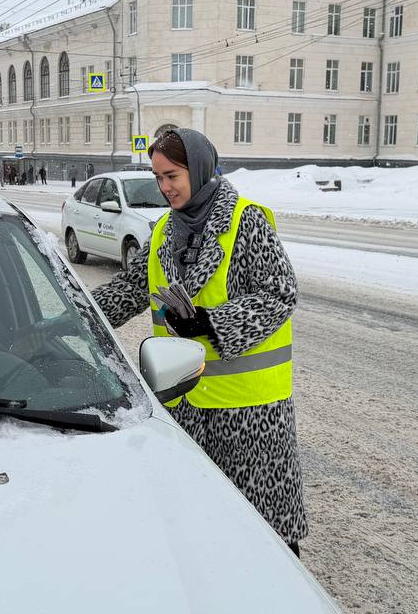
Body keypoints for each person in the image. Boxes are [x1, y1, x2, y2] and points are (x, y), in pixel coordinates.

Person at [89, 128, 307, 557]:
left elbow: (281, 293)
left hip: (249, 413)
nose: (165, 187)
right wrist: (69, 317)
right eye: (158, 178)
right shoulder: (165, 232)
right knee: (200, 529)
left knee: (265, 537)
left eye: (172, 175)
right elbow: (129, 290)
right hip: (184, 407)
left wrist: (212, 322)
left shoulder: (247, 221)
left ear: (200, 169)